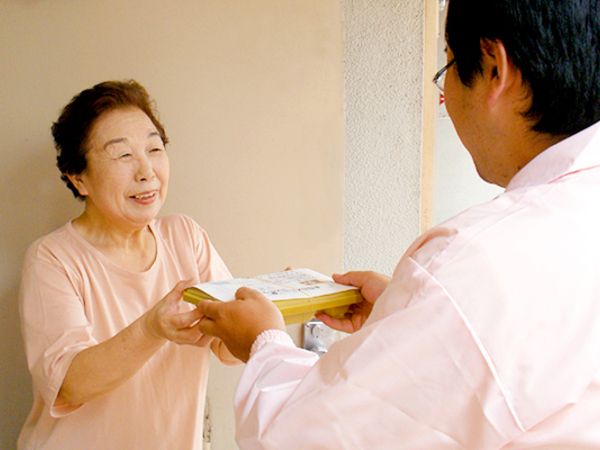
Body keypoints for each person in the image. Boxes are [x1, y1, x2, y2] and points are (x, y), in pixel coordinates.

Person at [196, 0, 600, 448]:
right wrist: (408, 313)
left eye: (447, 64)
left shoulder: (473, 265)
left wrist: (263, 341)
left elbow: (305, 439)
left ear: (492, 69)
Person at [18, 80, 236, 449]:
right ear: (78, 178)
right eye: (123, 156)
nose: (146, 171)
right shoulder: (52, 259)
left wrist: (275, 304)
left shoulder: (186, 237)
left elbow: (228, 349)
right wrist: (152, 329)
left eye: (154, 148)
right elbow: (69, 383)